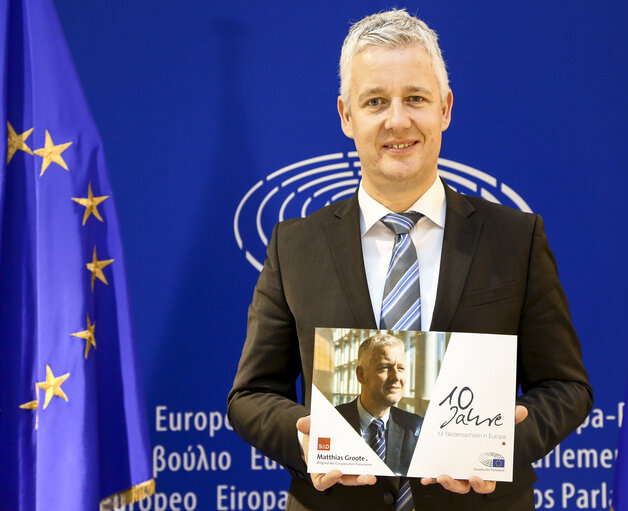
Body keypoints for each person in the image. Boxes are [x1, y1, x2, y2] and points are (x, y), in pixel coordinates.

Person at [228, 9, 592, 511]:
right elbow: (250, 395)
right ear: (346, 116)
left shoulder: (516, 238)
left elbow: (566, 387)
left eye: (415, 99)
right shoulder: (295, 245)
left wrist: (501, 447)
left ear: (444, 109)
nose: (397, 120)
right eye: (375, 101)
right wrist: (303, 439)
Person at [335, 333, 422, 476]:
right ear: (361, 375)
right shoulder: (333, 420)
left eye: (401, 368)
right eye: (385, 367)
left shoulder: (416, 427)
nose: (396, 377)